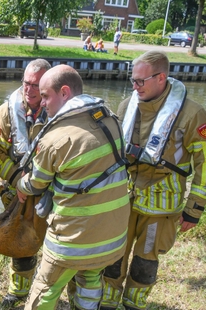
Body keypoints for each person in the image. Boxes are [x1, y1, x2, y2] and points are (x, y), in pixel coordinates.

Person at [100, 50, 206, 310]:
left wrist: (194, 209)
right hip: (125, 199)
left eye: (140, 81)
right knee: (113, 254)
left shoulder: (191, 114)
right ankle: (106, 301)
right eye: (133, 80)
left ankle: (134, 303)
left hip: (162, 205)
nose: (135, 86)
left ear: (161, 78)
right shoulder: (126, 106)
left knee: (146, 260)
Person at [15, 65, 131, 310]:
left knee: (45, 288)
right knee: (90, 278)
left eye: (46, 95)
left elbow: (36, 183)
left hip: (72, 241)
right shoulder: (111, 120)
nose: (42, 102)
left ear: (65, 92)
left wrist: (20, 184)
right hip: (111, 236)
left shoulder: (56, 139)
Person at [0, 58, 51, 306]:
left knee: (54, 245)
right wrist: (18, 180)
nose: (29, 89)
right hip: (16, 191)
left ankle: (48, 287)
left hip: (51, 190)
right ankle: (18, 292)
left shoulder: (62, 109)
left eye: (36, 85)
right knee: (21, 242)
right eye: (26, 83)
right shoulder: (4, 114)